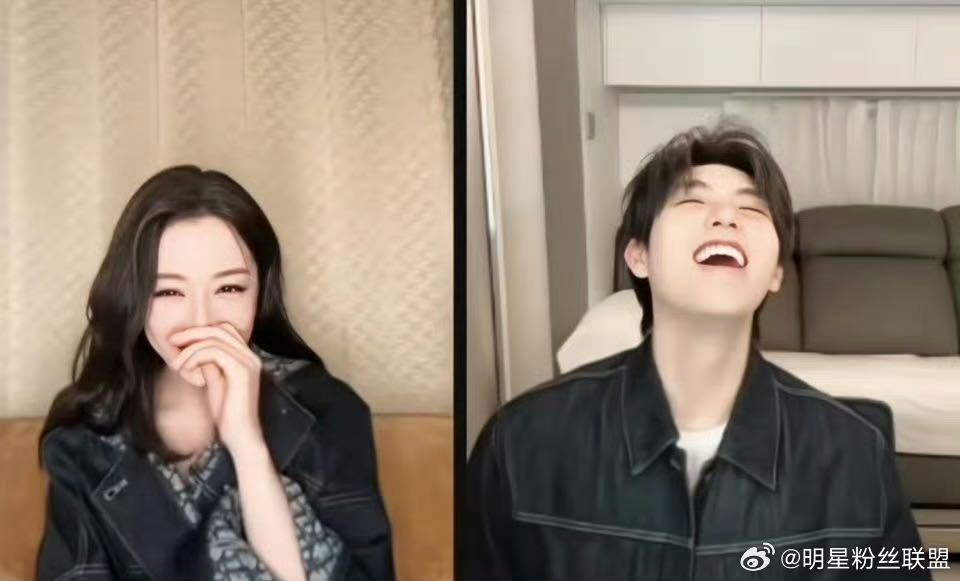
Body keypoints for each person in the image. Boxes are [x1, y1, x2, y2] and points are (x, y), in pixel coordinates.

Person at [464, 125, 930, 580]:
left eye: (751, 209)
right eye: (692, 201)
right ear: (639, 256)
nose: (726, 217)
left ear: (775, 273)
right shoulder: (520, 443)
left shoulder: (855, 455)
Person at [36, 166, 394, 581]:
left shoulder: (327, 408)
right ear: (133, 296)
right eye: (169, 291)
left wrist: (248, 446)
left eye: (229, 288)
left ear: (260, 290)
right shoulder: (87, 441)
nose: (202, 320)